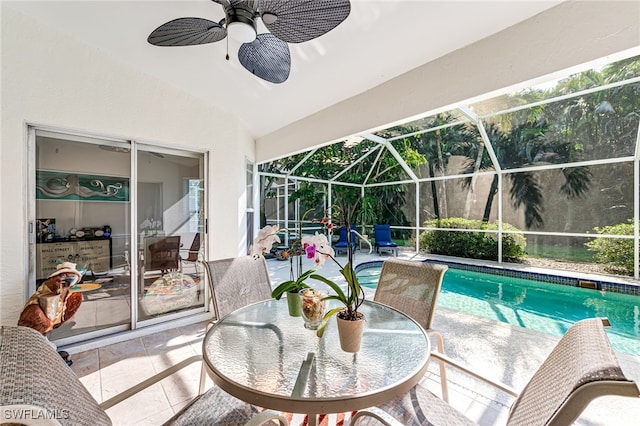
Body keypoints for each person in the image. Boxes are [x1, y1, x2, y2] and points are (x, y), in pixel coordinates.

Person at [18, 261, 84, 365]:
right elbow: (49, 290)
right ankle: (37, 348)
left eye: (72, 276)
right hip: (40, 311)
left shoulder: (69, 289)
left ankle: (43, 343)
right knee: (42, 321)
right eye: (64, 275)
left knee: (49, 323)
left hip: (54, 312)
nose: (68, 278)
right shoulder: (54, 283)